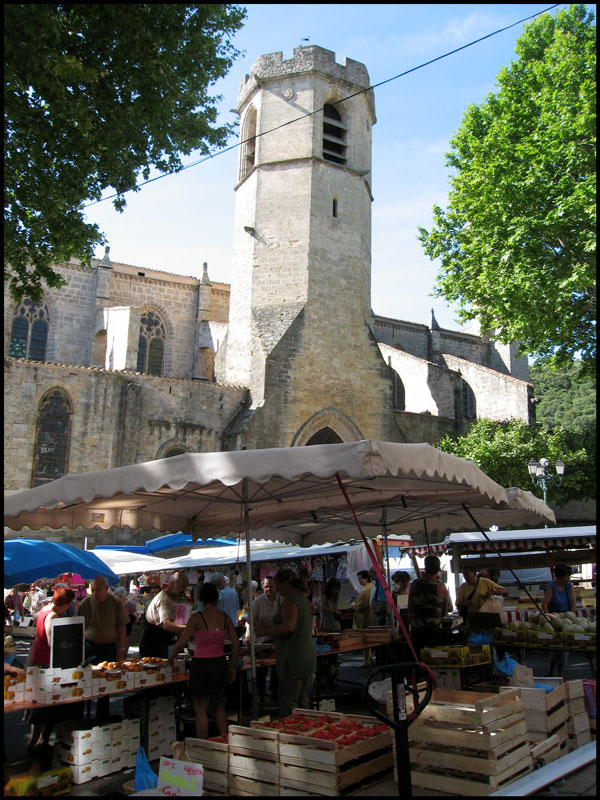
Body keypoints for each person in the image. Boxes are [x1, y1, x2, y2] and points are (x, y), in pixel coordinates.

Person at [167, 582, 239, 739]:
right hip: (219, 663)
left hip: (201, 665)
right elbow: (235, 643)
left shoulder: (196, 618)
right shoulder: (225, 618)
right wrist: (232, 666)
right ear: (216, 598)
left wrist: (170, 659)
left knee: (201, 710)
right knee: (219, 706)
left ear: (201, 599)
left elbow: (181, 643)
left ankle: (203, 746)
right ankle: (225, 741)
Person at [254, 569, 317, 719]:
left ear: (285, 584)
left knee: (289, 703)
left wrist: (267, 630)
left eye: (278, 585)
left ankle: (293, 735)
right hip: (305, 655)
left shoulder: (291, 601)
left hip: (293, 657)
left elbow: (289, 626)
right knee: (303, 701)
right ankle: (308, 732)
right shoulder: (304, 600)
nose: (277, 589)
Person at [25, 586, 76, 753]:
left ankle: (35, 740)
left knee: (38, 705)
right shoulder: (53, 616)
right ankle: (40, 742)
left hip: (38, 661)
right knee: (47, 706)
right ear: (67, 603)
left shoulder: (43, 610)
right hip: (47, 665)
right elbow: (51, 642)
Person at [78, 576, 129, 665]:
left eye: (97, 590)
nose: (94, 593)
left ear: (106, 588)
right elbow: (78, 628)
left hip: (109, 648)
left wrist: (121, 650)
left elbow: (122, 627)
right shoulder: (85, 603)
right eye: (92, 590)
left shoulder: (116, 602)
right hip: (90, 647)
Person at [408, 555, 451, 657]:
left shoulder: (415, 584)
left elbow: (410, 605)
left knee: (417, 659)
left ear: (425, 567)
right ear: (438, 569)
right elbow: (445, 611)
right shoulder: (441, 587)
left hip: (417, 629)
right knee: (434, 659)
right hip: (433, 630)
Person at [140, 572, 189, 658]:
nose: (184, 589)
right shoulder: (164, 600)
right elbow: (166, 624)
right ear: (173, 584)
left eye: (185, 586)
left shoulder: (169, 599)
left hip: (158, 644)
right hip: (154, 648)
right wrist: (190, 628)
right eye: (182, 586)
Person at [251, 576, 281, 709]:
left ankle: (276, 694)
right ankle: (259, 698)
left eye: (271, 586)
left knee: (277, 670)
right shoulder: (258, 601)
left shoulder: (282, 600)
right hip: (262, 641)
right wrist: (263, 624)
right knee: (261, 671)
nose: (268, 589)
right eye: (266, 586)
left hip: (277, 640)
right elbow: (249, 618)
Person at [542, 564, 577, 677]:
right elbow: (544, 605)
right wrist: (548, 619)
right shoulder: (550, 587)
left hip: (566, 617)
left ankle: (559, 672)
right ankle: (553, 670)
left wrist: (572, 616)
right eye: (567, 576)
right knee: (557, 647)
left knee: (564, 648)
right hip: (554, 617)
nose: (569, 578)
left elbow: (573, 602)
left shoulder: (569, 586)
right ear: (560, 577)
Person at [319, 578, 342, 691]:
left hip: (335, 627)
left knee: (334, 657)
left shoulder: (335, 598)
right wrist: (334, 612)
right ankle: (322, 680)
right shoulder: (324, 597)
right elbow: (323, 608)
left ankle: (332, 679)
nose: (335, 591)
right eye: (334, 588)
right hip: (326, 628)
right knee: (325, 656)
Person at [353, 570, 375, 666]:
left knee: (365, 640)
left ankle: (367, 660)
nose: (359, 581)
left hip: (365, 618)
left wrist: (354, 605)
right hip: (369, 617)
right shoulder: (370, 587)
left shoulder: (366, 590)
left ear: (366, 578)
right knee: (367, 640)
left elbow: (362, 605)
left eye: (360, 579)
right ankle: (369, 658)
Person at [112, 587, 139, 659]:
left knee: (123, 652)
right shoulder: (114, 604)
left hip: (127, 631)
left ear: (124, 595)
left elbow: (136, 618)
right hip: (115, 632)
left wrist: (130, 617)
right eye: (117, 596)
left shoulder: (130, 604)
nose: (119, 598)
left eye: (120, 596)